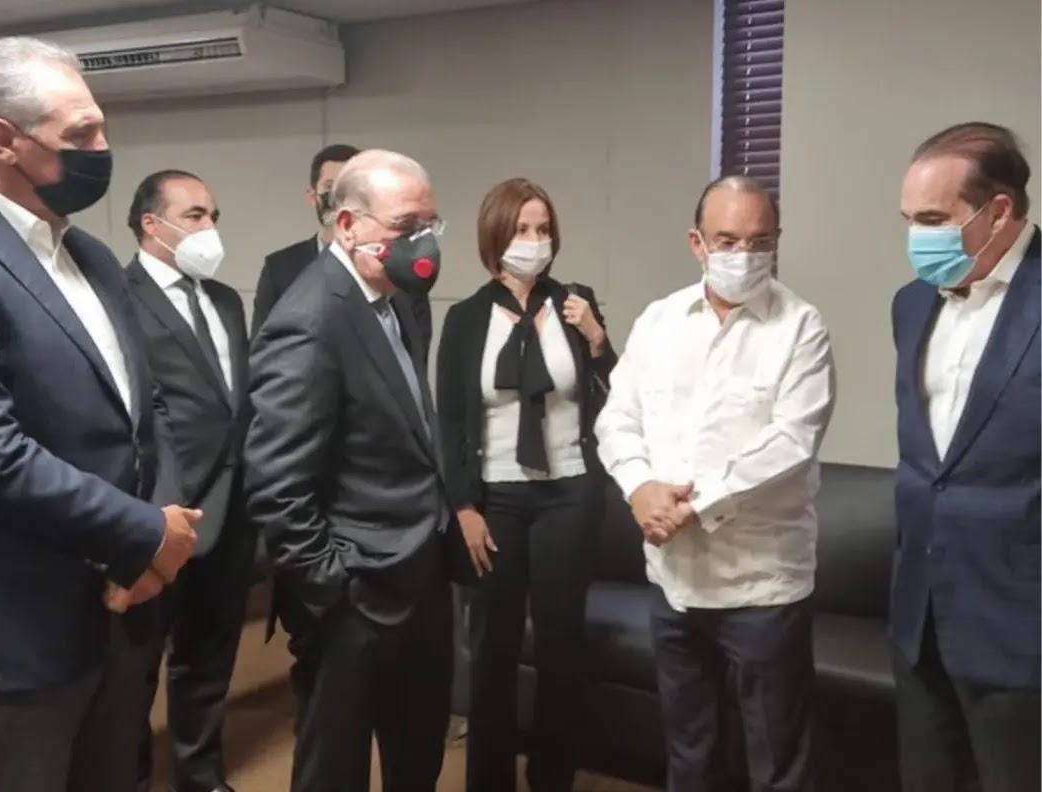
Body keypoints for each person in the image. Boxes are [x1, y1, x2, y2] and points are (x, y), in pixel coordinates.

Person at [0, 36, 199, 792]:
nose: (102, 150)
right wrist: (141, 536)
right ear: (4, 141)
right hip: (24, 639)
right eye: (81, 134)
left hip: (124, 615)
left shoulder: (95, 259)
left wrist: (161, 534)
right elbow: (1, 453)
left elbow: (147, 411)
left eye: (103, 129)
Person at [595, 175, 836, 792]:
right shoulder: (659, 320)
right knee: (689, 750)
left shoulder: (801, 326)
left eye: (759, 241)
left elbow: (791, 441)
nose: (743, 255)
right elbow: (618, 419)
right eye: (727, 240)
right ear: (697, 243)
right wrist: (640, 488)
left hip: (762, 586)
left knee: (779, 760)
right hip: (673, 581)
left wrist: (691, 505)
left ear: (777, 240)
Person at [246, 149, 468, 792]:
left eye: (430, 223)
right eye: (405, 227)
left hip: (421, 572)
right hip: (356, 594)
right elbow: (277, 482)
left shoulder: (396, 301)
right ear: (347, 225)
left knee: (416, 752)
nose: (423, 242)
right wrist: (333, 586)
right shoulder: (308, 319)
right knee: (335, 766)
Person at [436, 177, 617, 792]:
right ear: (495, 236)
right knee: (493, 649)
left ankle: (552, 779)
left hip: (569, 490)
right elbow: (450, 421)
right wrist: (464, 506)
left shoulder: (576, 304)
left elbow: (616, 400)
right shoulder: (466, 319)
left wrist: (598, 341)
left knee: (562, 648)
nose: (534, 240)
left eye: (543, 229)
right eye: (521, 229)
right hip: (496, 497)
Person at [891, 122, 1040, 792]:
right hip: (919, 614)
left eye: (932, 220)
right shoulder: (910, 304)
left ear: (998, 211)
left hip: (1022, 625)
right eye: (908, 220)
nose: (915, 238)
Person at [126, 169, 254, 792]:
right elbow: (136, 412)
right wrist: (160, 504)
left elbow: (236, 404)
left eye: (213, 216)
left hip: (234, 507)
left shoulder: (225, 299)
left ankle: (199, 777)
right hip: (159, 511)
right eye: (195, 216)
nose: (210, 229)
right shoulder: (118, 297)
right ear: (152, 224)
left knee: (209, 658)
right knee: (138, 664)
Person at [252, 142, 433, 357]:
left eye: (348, 188)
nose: (338, 198)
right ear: (312, 196)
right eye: (330, 187)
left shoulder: (400, 268)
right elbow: (263, 351)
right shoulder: (280, 269)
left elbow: (417, 353)